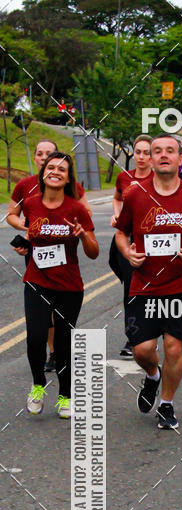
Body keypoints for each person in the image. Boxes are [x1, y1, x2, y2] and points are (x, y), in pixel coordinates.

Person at [115, 134, 182, 430]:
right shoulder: (135, 196)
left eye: (169, 151)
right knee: (143, 350)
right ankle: (152, 376)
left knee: (174, 349)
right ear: (149, 156)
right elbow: (121, 233)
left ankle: (167, 403)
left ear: (179, 157)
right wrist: (127, 251)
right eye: (156, 151)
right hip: (144, 286)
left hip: (180, 286)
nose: (162, 155)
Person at [14, 151, 98, 418]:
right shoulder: (32, 204)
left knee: (63, 343)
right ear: (43, 173)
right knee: (36, 338)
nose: (55, 172)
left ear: (67, 178)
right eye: (51, 167)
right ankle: (38, 385)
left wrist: (83, 236)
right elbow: (26, 229)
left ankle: (65, 396)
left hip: (69, 286)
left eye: (62, 169)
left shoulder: (76, 209)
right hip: (37, 281)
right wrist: (24, 243)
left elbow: (93, 252)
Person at [7, 139, 90, 372]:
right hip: (37, 250)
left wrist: (73, 228)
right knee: (42, 311)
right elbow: (12, 215)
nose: (45, 157)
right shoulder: (24, 186)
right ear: (36, 159)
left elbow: (86, 212)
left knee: (58, 311)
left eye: (49, 153)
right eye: (40, 153)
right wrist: (26, 231)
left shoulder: (70, 187)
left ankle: (57, 353)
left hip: (64, 252)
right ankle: (51, 351)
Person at [110, 134, 153, 357]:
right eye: (139, 152)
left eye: (147, 152)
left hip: (150, 241)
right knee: (130, 288)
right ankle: (133, 336)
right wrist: (117, 215)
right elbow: (117, 198)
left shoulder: (159, 178)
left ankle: (145, 334)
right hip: (126, 239)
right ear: (133, 154)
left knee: (144, 290)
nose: (142, 157)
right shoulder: (124, 177)